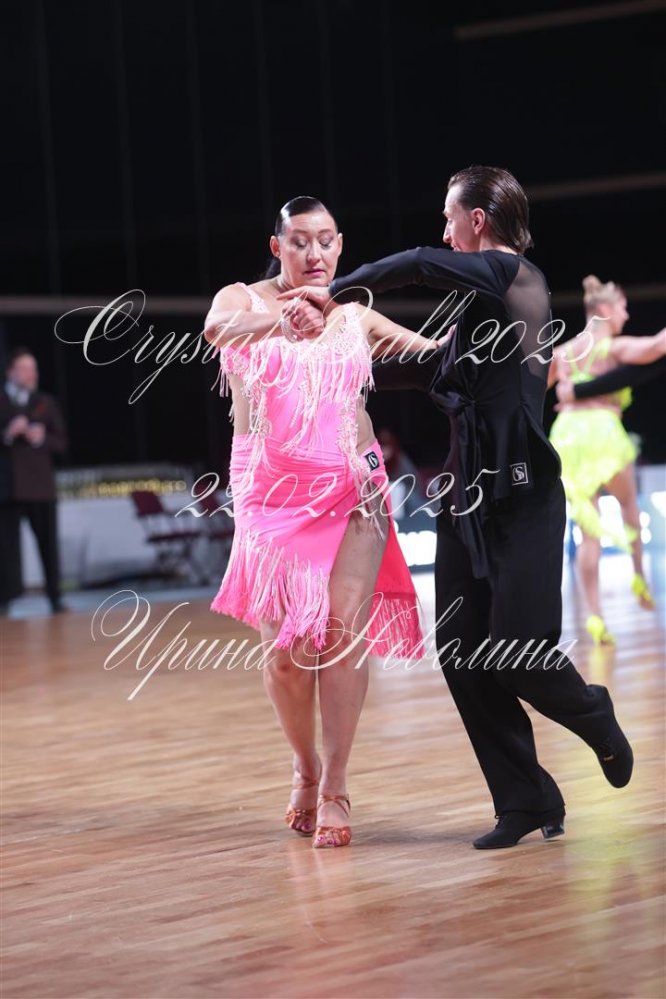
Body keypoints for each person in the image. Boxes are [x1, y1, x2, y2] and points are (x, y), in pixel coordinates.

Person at [279, 166, 636, 850]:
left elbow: (418, 262)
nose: (444, 232)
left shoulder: (518, 280)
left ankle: (595, 713)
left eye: (450, 218)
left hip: (523, 497)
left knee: (520, 654)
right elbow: (433, 369)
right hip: (466, 500)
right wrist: (338, 372)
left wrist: (335, 293)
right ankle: (525, 798)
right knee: (463, 652)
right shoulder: (474, 310)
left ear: (477, 219)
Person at [202, 196, 436, 849]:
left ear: (339, 245)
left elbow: (438, 356)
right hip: (271, 494)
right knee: (285, 656)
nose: (315, 253)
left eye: (326, 240)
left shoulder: (353, 313)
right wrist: (282, 320)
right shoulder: (242, 300)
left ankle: (334, 784)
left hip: (353, 484)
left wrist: (530, 351)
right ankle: (304, 767)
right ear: (277, 246)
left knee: (340, 633)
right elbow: (216, 329)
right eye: (300, 241)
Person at [548, 277, 665, 644]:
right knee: (630, 507)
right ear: (603, 310)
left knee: (588, 533)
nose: (626, 315)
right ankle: (639, 577)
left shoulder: (562, 353)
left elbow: (530, 388)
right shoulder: (612, 347)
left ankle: (595, 615)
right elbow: (658, 345)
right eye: (622, 307)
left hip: (567, 435)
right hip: (602, 430)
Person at [0, 348, 68, 615]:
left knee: (48, 544)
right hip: (7, 488)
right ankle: (5, 600)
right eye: (25, 369)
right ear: (11, 372)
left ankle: (55, 597)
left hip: (40, 486)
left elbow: (61, 442)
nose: (31, 374)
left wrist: (41, 438)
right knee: (5, 547)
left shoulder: (45, 402)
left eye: (33, 369)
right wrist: (7, 434)